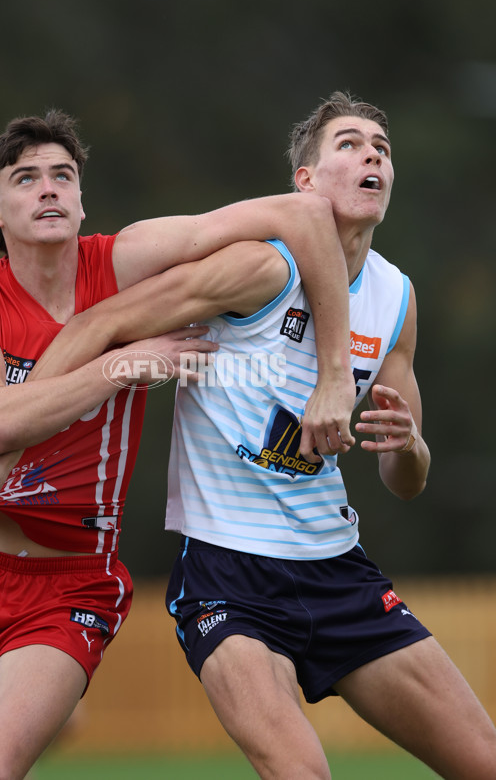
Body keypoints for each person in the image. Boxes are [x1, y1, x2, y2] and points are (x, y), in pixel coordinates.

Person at [0, 109, 356, 780]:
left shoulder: (122, 261)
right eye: (26, 179)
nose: (49, 188)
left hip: (70, 580)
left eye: (63, 175)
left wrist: (334, 376)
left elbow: (307, 215)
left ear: (84, 199)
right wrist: (123, 361)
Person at [161, 92, 496, 778]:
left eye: (383, 146)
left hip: (337, 569)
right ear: (304, 182)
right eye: (349, 143)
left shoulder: (394, 296)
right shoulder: (256, 267)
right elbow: (130, 307)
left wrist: (409, 445)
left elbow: (406, 481)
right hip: (229, 573)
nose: (374, 152)